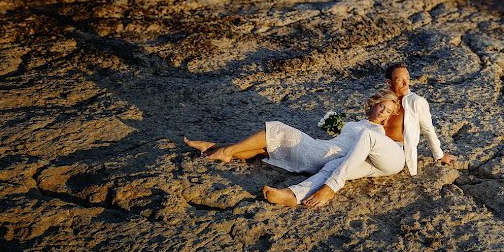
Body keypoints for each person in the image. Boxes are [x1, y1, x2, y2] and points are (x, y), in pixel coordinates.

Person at [183, 91, 400, 176]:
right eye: (382, 106)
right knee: (264, 147)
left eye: (388, 111)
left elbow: (363, 152)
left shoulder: (376, 131)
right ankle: (214, 148)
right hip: (323, 146)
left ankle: (226, 150)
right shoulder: (357, 122)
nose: (383, 112)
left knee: (277, 128)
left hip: (325, 154)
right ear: (374, 104)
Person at [262, 102, 406, 209]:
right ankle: (292, 195)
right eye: (382, 106)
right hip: (372, 158)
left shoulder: (410, 102)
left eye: (388, 111)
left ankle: (330, 188)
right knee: (333, 165)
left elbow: (426, 128)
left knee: (367, 135)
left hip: (394, 156)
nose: (404, 83)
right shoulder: (391, 99)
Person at [383, 62, 457, 174]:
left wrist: (439, 155)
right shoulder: (382, 100)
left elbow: (428, 129)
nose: (405, 83)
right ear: (389, 82)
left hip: (397, 151)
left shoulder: (416, 102)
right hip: (378, 146)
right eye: (399, 80)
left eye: (407, 78)